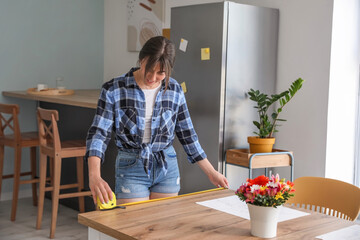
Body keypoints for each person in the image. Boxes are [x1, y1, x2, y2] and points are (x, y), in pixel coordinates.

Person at [86, 36, 228, 206]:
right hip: (131, 166)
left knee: (164, 228)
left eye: (161, 73)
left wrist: (211, 172)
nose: (152, 77)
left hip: (167, 166)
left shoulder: (174, 90)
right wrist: (94, 176)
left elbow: (187, 135)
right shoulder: (114, 89)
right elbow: (98, 135)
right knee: (136, 229)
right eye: (149, 69)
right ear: (141, 60)